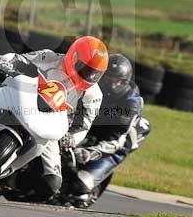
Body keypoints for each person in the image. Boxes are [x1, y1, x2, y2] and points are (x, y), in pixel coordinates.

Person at [0, 36, 108, 201]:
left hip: (50, 124)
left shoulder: (94, 95)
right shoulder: (49, 57)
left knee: (52, 183)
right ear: (73, 57)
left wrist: (72, 139)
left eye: (94, 74)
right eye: (84, 69)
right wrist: (5, 61)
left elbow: (84, 125)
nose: (88, 76)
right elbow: (19, 59)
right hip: (23, 100)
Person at [63, 54, 150, 208]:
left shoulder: (130, 103)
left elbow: (115, 141)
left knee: (79, 186)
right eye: (106, 78)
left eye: (116, 80)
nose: (109, 83)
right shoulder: (90, 85)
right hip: (90, 129)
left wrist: (90, 153)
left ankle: (85, 194)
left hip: (114, 144)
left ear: (124, 82)